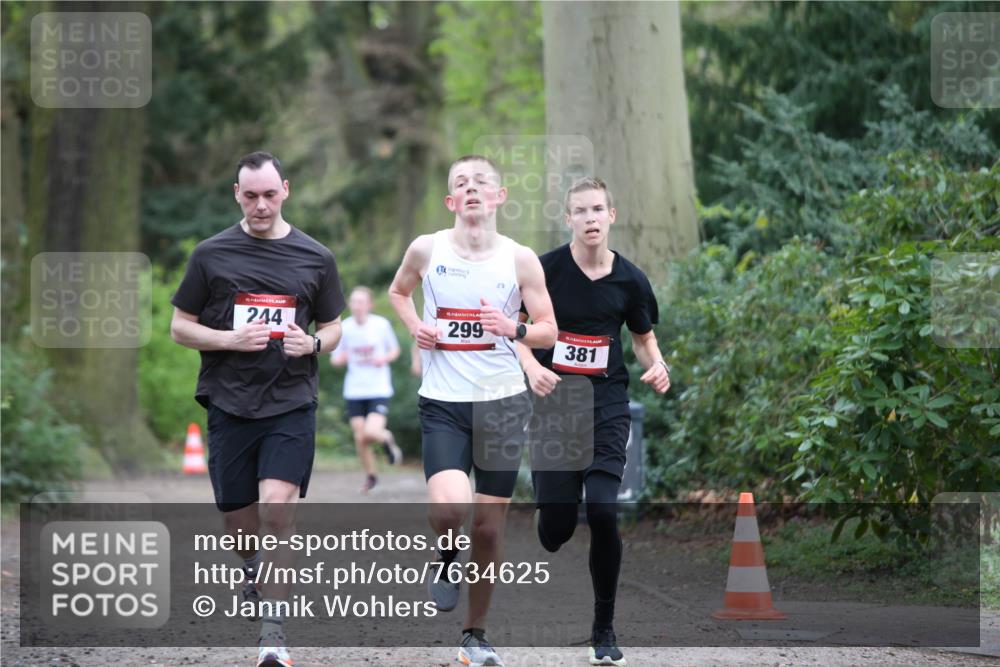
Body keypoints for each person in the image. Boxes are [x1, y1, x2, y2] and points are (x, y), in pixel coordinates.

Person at [170, 151, 345, 667]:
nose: (261, 205)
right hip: (229, 402)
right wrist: (227, 338)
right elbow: (180, 325)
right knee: (240, 517)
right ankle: (251, 568)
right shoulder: (211, 254)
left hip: (291, 402)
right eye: (251, 196)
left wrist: (312, 345)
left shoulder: (317, 257)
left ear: (286, 190)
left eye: (270, 194)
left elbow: (334, 327)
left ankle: (274, 635)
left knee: (276, 508)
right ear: (236, 194)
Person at [388, 155, 557, 667]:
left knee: (487, 527)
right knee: (448, 510)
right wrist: (416, 326)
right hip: (445, 403)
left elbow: (549, 328)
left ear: (500, 196)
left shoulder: (521, 258)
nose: (472, 189)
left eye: (482, 181)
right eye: (461, 183)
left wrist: (515, 330)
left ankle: (475, 635)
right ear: (450, 201)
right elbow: (397, 293)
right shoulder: (426, 249)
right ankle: (444, 557)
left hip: (504, 403)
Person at [516, 177, 671, 667]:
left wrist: (657, 362)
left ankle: (603, 629)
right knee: (556, 530)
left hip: (606, 406)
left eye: (597, 209)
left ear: (611, 215)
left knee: (603, 511)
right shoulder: (545, 271)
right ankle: (549, 516)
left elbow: (643, 336)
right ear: (568, 219)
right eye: (579, 211)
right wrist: (534, 366)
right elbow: (517, 333)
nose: (589, 218)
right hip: (554, 408)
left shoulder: (631, 280)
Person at [330, 285, 404, 493]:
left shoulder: (380, 325)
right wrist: (341, 358)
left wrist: (384, 358)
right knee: (360, 437)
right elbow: (335, 359)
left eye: (361, 302)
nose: (357, 306)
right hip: (354, 389)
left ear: (370, 304)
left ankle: (386, 437)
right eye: (353, 301)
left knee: (371, 432)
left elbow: (395, 350)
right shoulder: (345, 327)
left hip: (378, 388)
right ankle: (371, 476)